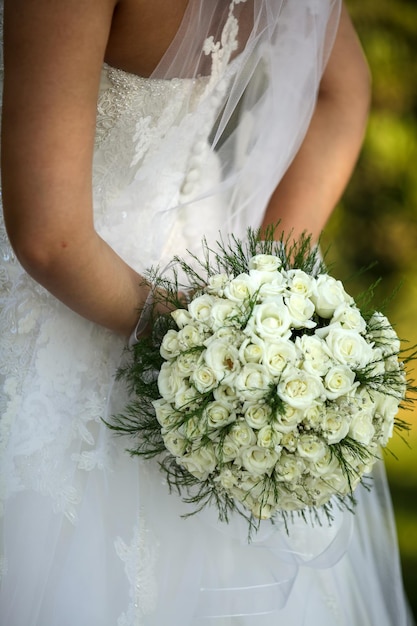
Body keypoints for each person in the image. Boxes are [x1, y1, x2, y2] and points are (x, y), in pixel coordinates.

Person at [0, 0, 413, 624]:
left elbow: (50, 239)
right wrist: (256, 291)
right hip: (194, 263)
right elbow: (345, 92)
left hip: (67, 301)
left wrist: (232, 322)